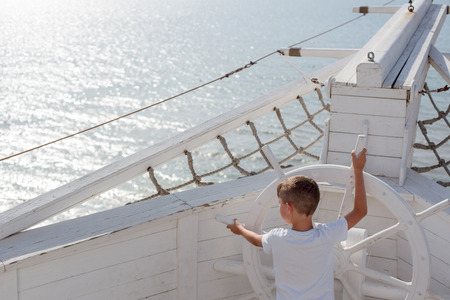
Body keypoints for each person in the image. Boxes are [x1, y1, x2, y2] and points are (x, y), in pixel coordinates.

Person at [227, 149, 367, 300]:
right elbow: (360, 211)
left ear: (288, 207)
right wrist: (358, 170)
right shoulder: (328, 234)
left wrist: (240, 229)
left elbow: (255, 239)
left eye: (280, 203)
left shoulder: (277, 237)